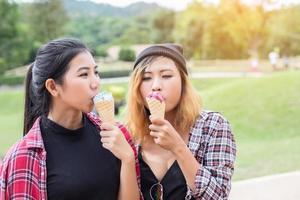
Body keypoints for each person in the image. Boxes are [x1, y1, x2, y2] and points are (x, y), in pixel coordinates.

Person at [0, 38, 140, 200]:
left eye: (96, 72)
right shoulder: (23, 157)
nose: (95, 83)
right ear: (53, 87)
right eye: (84, 74)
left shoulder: (117, 135)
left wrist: (128, 159)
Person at [126, 44, 236, 200]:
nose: (156, 86)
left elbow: (218, 196)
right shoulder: (129, 135)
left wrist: (178, 148)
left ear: (183, 81)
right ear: (137, 87)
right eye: (146, 78)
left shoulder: (213, 126)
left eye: (166, 76)